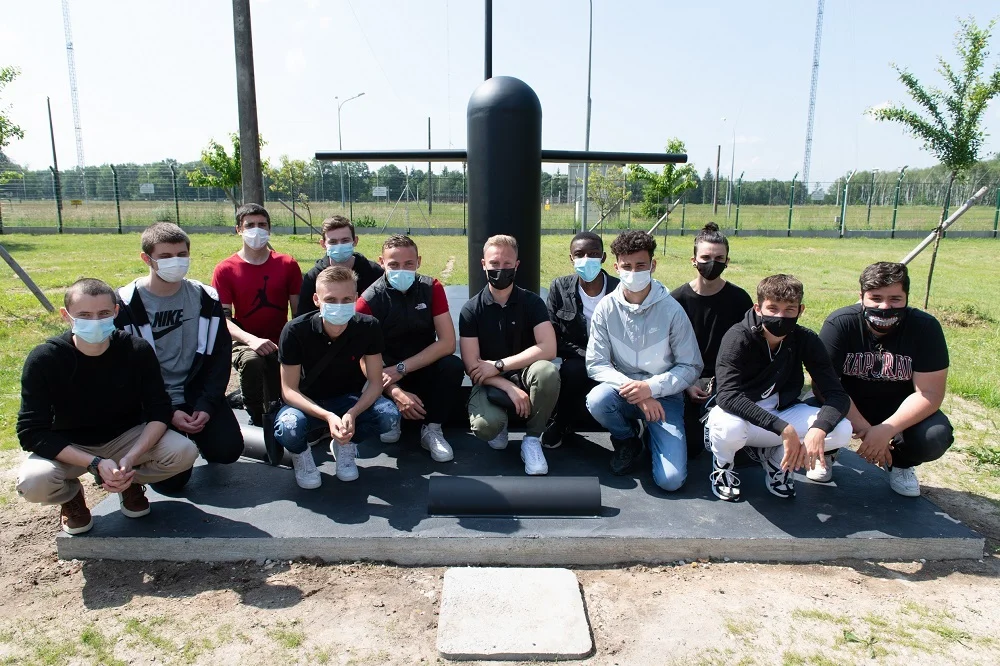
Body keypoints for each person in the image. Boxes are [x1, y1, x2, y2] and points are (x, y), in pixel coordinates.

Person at [16, 279, 199, 534]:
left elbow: (159, 410)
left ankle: (127, 480)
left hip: (125, 437)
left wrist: (131, 458)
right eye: (85, 315)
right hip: (71, 447)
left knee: (184, 452)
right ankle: (71, 496)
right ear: (66, 316)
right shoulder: (45, 359)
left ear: (115, 312)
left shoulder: (136, 349)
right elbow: (30, 432)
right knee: (34, 482)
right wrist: (94, 463)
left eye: (103, 314)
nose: (95, 321)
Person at [115, 222, 243, 491]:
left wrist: (207, 405)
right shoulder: (124, 305)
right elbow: (125, 374)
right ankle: (127, 477)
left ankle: (192, 435)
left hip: (195, 395)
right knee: (172, 484)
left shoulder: (205, 298)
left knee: (228, 451)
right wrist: (167, 412)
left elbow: (219, 356)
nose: (176, 262)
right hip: (150, 403)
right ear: (146, 259)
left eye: (182, 255)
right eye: (165, 256)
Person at [707, 274, 852, 502]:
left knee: (842, 430)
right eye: (772, 309)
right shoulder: (738, 337)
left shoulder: (805, 339)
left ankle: (777, 462)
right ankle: (723, 466)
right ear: (758, 307)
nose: (780, 316)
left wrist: (819, 429)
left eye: (789, 310)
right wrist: (783, 428)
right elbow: (727, 396)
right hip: (741, 418)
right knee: (728, 429)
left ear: (801, 310)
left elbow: (837, 395)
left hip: (781, 412)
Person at [818, 262, 953, 496]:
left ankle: (900, 463)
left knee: (934, 436)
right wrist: (865, 429)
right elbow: (824, 385)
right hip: (847, 403)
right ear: (861, 297)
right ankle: (826, 453)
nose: (885, 306)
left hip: (898, 408)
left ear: (907, 298)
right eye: (876, 298)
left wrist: (886, 430)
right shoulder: (840, 323)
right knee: (811, 418)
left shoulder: (925, 328)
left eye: (895, 299)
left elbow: (929, 393)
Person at [585, 230, 703, 489]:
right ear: (616, 266)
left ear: (653, 265)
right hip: (623, 390)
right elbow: (596, 363)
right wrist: (638, 392)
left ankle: (653, 434)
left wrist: (651, 388)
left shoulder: (672, 310)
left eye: (641, 265)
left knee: (670, 481)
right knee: (597, 400)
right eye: (626, 266)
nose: (633, 272)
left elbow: (691, 365)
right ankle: (628, 439)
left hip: (665, 395)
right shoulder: (606, 308)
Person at [273, 266, 400, 489]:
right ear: (316, 299)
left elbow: (375, 382)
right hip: (307, 403)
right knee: (289, 426)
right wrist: (328, 416)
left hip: (348, 398)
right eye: (330, 299)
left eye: (346, 299)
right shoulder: (294, 331)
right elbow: (289, 390)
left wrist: (353, 413)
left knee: (388, 415)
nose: (338, 306)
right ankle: (301, 454)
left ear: (356, 298)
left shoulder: (368, 327)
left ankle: (345, 444)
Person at [356, 235, 465, 462]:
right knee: (388, 436)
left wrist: (402, 368)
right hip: (384, 376)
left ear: (419, 262)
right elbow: (363, 360)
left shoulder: (431, 287)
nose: (401, 270)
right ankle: (391, 412)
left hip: (418, 367)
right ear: (381, 262)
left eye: (408, 264)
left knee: (453, 365)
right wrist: (394, 390)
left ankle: (432, 429)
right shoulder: (368, 301)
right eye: (393, 264)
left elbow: (447, 342)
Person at [459, 234, 560, 475]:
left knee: (547, 371)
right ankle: (499, 424)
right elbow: (472, 365)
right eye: (494, 264)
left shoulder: (532, 303)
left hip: (522, 373)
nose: (500, 270)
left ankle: (533, 439)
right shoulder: (471, 309)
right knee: (485, 427)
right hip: (489, 381)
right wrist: (508, 387)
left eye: (507, 264)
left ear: (517, 265)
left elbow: (548, 348)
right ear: (483, 264)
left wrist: (500, 364)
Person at [212, 203, 303, 426]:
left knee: (279, 396)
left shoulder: (287, 264)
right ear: (238, 230)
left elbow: (298, 312)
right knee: (253, 361)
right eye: (250, 225)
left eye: (262, 225)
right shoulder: (225, 269)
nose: (256, 229)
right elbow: (224, 319)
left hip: (279, 339)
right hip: (244, 340)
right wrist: (251, 340)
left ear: (269, 229)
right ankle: (253, 412)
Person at [671, 222, 754, 458]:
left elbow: (748, 348)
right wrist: (688, 382)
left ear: (727, 261)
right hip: (686, 378)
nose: (712, 263)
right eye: (706, 256)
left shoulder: (739, 299)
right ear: (693, 259)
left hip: (727, 380)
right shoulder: (676, 300)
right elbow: (666, 349)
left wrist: (724, 383)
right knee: (693, 446)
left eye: (719, 258)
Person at [543, 231, 619, 448]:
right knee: (571, 371)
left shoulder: (619, 289)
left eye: (594, 254)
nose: (587, 260)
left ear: (603, 257)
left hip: (614, 360)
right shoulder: (559, 287)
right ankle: (562, 423)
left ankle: (625, 434)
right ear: (571, 258)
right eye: (580, 254)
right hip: (576, 356)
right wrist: (587, 356)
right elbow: (553, 334)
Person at [297, 215, 384, 317]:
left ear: (355, 241)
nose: (339, 246)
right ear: (323, 244)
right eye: (333, 242)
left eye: (345, 240)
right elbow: (304, 317)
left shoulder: (374, 273)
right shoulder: (313, 277)